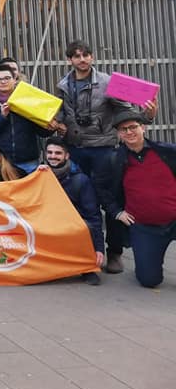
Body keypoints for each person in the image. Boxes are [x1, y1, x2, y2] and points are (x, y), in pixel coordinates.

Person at [56, 39, 158, 274]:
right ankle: (82, 250)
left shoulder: (108, 82)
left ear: (92, 57)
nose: (82, 59)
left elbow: (125, 111)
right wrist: (57, 124)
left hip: (104, 148)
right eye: (77, 56)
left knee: (111, 200)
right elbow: (61, 114)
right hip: (76, 147)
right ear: (69, 60)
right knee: (77, 201)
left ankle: (114, 252)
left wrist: (147, 115)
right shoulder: (63, 85)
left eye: (86, 55)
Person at [93, 111, 176, 288]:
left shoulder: (167, 152)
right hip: (145, 227)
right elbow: (100, 187)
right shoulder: (114, 159)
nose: (129, 132)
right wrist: (116, 212)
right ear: (118, 134)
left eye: (133, 127)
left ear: (143, 128)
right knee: (149, 280)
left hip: (173, 219)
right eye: (123, 129)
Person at [40, 137, 104, 285]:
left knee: (86, 226)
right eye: (49, 152)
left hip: (73, 224)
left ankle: (87, 267)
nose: (53, 156)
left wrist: (99, 249)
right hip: (46, 222)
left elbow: (94, 215)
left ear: (66, 156)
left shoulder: (80, 180)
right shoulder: (38, 175)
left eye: (58, 153)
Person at [0, 64, 53, 173]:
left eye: (7, 78)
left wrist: (50, 126)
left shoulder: (28, 99)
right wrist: (2, 117)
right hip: (2, 162)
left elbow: (42, 132)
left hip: (28, 161)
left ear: (15, 79)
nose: (3, 82)